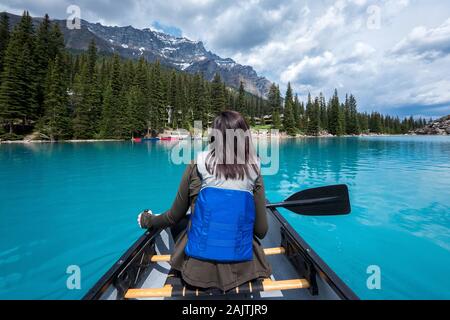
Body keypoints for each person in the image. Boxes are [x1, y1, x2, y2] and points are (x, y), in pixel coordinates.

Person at [137, 111, 272, 291]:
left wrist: (148, 219)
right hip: (243, 267)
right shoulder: (254, 170)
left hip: (196, 269)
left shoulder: (195, 165)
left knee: (183, 220)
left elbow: (172, 217)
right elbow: (261, 231)